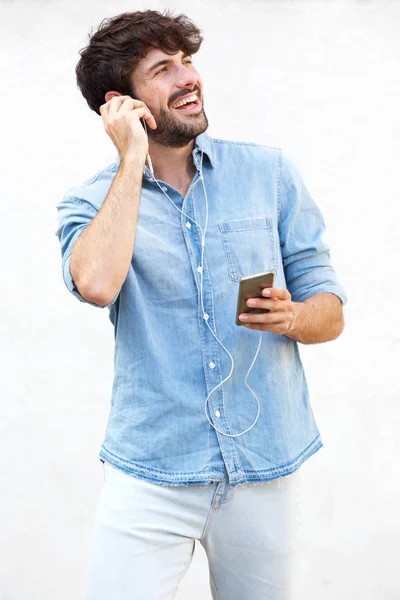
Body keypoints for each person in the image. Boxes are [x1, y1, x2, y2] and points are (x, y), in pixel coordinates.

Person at [56, 9, 347, 600]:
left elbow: (332, 311)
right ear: (122, 103)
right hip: (152, 471)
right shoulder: (90, 202)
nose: (188, 77)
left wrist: (294, 316)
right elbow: (97, 285)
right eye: (163, 69)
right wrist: (132, 158)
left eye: (186, 61)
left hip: (264, 463)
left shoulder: (268, 173)